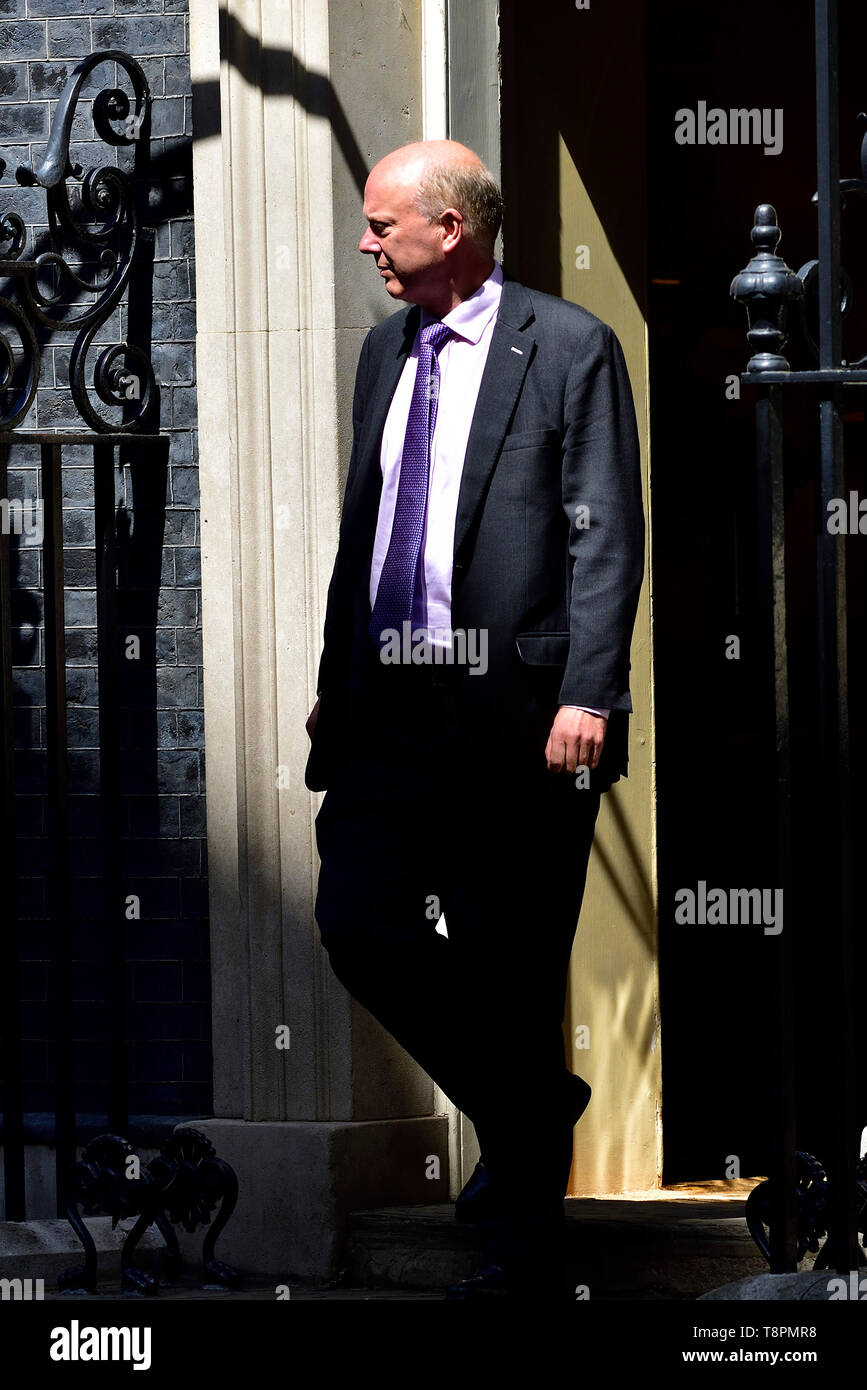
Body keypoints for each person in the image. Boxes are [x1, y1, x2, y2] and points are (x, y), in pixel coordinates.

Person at [305, 139, 644, 1298]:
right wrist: (333, 689)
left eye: (382, 224)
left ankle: (525, 1253)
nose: (367, 244)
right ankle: (534, 1100)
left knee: (506, 972)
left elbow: (605, 532)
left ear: (452, 228)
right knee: (359, 922)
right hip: (391, 712)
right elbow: (367, 535)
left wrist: (589, 689)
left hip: (520, 716)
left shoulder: (568, 347)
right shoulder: (380, 352)